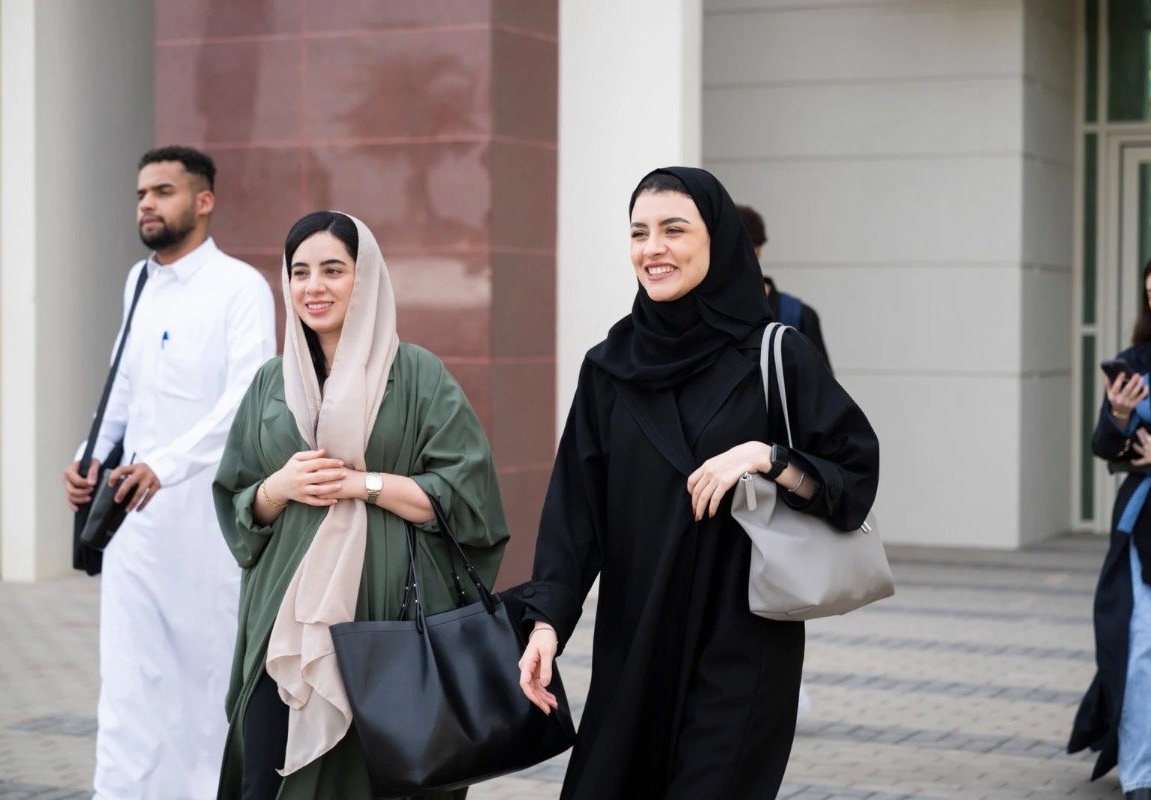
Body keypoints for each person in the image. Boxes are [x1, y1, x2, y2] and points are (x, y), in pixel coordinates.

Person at [514, 167, 879, 799]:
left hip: (742, 643)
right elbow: (576, 514)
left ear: (718, 241)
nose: (652, 248)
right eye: (639, 233)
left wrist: (768, 456)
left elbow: (854, 478)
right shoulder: (608, 369)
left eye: (674, 230)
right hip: (636, 641)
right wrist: (546, 624)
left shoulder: (777, 353)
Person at [213, 211, 509, 799]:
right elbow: (241, 502)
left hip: (391, 627)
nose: (313, 287)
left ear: (366, 278)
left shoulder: (419, 375)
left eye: (333, 270)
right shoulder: (271, 383)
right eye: (299, 272)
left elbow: (466, 500)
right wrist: (282, 486)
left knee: (380, 781)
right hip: (285, 625)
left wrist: (361, 484)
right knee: (267, 775)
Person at [61, 145, 276, 799]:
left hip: (205, 528)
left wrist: (166, 464)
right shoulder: (139, 281)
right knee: (127, 680)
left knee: (201, 679)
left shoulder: (240, 289)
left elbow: (245, 401)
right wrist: (89, 454)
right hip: (132, 520)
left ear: (203, 201)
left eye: (162, 192)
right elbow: (123, 384)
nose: (147, 205)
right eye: (140, 194)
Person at [1070, 249, 1151, 800]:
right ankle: (1141, 775)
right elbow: (1105, 447)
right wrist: (1117, 415)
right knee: (1146, 644)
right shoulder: (1136, 361)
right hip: (1150, 525)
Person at [738, 204, 831, 366]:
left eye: (741, 247)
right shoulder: (700, 315)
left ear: (758, 249)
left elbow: (822, 388)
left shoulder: (798, 316)